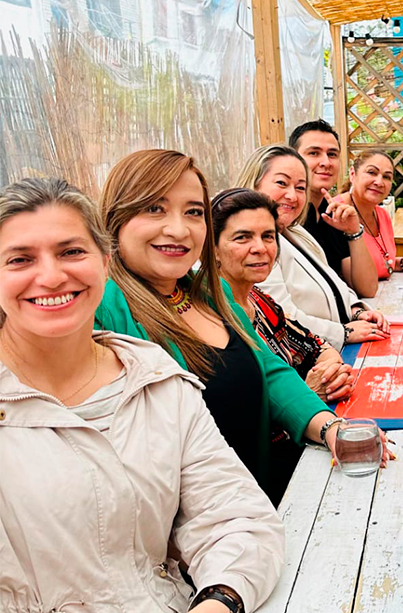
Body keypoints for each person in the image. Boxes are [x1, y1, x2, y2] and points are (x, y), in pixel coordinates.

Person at [0, 178, 283, 613]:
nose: (50, 276)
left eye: (71, 252)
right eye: (20, 259)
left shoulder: (155, 381)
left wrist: (218, 609)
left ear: (104, 262)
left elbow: (237, 519)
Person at [93, 149, 383, 507]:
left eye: (193, 212)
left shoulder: (210, 292)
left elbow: (270, 370)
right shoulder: (101, 312)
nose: (179, 228)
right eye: (155, 208)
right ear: (115, 217)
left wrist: (331, 429)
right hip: (188, 535)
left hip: (260, 499)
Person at [238, 144, 389, 350]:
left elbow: (331, 280)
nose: (292, 196)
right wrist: (343, 333)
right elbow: (279, 316)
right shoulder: (254, 246)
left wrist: (356, 310)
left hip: (331, 347)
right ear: (254, 184)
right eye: (282, 183)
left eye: (300, 187)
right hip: (310, 356)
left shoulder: (294, 232)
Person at [211, 187, 354, 402]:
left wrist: (329, 373)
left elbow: (317, 346)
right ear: (212, 248)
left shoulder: (260, 300)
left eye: (268, 236)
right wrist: (309, 393)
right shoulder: (208, 317)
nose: (260, 248)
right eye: (242, 237)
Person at [289, 119, 378, 298]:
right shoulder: (289, 216)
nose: (326, 162)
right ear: (293, 159)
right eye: (314, 153)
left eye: (332, 154)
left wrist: (354, 232)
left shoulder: (331, 212)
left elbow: (368, 288)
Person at [337, 151, 403, 279]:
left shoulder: (382, 215)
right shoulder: (336, 213)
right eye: (371, 173)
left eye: (387, 177)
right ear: (353, 174)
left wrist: (400, 263)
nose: (379, 182)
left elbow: (373, 263)